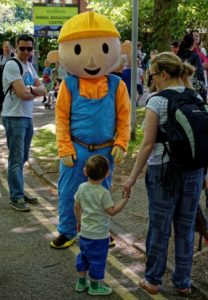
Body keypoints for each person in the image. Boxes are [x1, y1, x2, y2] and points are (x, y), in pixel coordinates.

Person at [122, 52, 204, 296]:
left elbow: (147, 145)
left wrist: (132, 176)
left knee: (159, 226)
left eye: (152, 75)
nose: (151, 80)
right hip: (194, 170)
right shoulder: (196, 97)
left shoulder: (157, 101)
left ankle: (152, 280)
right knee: (186, 226)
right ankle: (184, 282)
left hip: (163, 170)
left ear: (164, 74)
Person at [49, 12, 130, 249]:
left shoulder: (117, 85)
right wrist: (64, 147)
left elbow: (124, 118)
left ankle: (100, 232)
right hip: (75, 148)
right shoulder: (69, 84)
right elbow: (61, 117)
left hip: (105, 151)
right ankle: (68, 230)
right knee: (68, 193)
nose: (93, 61)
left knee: (101, 195)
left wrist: (121, 143)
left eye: (104, 48)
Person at [1, 34, 46, 212]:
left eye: (29, 48)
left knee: (23, 158)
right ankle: (16, 197)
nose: (26, 52)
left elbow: (43, 90)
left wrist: (32, 89)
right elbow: (22, 94)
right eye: (22, 48)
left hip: (27, 117)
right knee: (16, 159)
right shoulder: (13, 65)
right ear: (16, 48)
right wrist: (34, 90)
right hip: (14, 116)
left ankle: (20, 191)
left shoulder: (29, 66)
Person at [74, 155, 129, 295]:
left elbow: (76, 207)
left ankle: (81, 283)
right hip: (99, 236)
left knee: (84, 256)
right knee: (97, 260)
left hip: (85, 232)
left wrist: (79, 222)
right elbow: (112, 211)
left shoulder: (81, 187)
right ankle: (94, 287)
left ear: (85, 171)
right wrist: (124, 200)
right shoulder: (103, 193)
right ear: (107, 174)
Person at [178, 33, 206, 102]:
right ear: (193, 44)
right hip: (192, 90)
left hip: (177, 87)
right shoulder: (195, 56)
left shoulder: (176, 56)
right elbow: (200, 75)